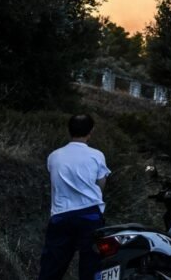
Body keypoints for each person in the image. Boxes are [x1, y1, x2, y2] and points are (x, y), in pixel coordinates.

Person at [38, 114, 111, 280]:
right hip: (90, 216)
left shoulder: (54, 156)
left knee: (51, 268)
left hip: (61, 216)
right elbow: (101, 183)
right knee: (90, 268)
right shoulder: (97, 155)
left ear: (68, 130)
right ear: (91, 131)